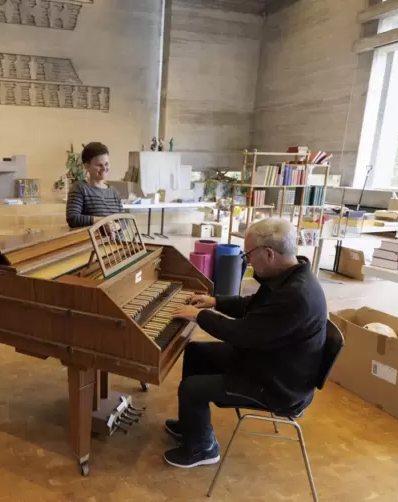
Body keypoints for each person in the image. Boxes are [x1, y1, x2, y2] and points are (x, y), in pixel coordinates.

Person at [163, 217, 327, 469]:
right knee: (196, 352)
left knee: (192, 388)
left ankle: (202, 448)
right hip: (270, 360)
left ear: (269, 254)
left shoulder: (295, 296)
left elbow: (241, 333)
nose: (246, 259)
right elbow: (253, 307)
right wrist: (215, 301)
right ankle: (191, 425)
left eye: (248, 253)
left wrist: (200, 316)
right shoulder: (289, 275)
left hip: (278, 385)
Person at [65, 142, 123, 228]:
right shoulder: (79, 188)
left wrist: (117, 225)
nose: (104, 168)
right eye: (99, 165)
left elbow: (123, 220)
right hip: (92, 241)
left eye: (106, 164)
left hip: (117, 241)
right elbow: (73, 218)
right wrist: (103, 222)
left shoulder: (114, 192)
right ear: (86, 166)